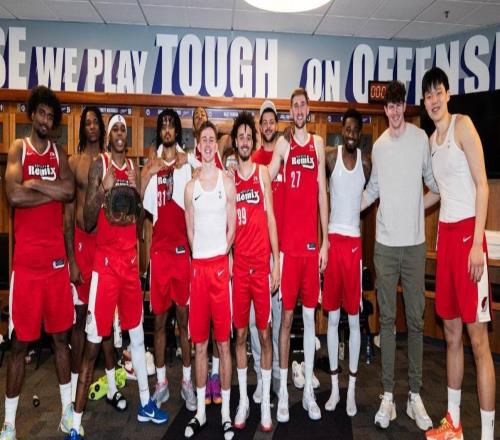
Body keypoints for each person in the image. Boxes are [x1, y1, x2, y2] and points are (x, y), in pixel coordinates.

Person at [67, 115, 167, 440]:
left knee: (137, 336)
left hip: (129, 266)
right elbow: (88, 219)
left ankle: (146, 403)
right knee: (93, 344)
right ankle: (75, 423)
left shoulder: (133, 168)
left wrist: (137, 190)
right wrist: (102, 189)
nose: (120, 133)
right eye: (116, 129)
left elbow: (136, 222)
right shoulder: (101, 164)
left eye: (124, 129)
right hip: (106, 267)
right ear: (109, 137)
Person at [422, 67, 495, 440]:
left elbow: (482, 185)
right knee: (451, 335)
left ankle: (487, 434)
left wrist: (478, 242)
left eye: (439, 92)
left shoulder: (463, 126)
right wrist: (409, 207)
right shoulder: (432, 142)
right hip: (446, 238)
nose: (434, 100)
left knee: (478, 341)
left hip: (469, 236)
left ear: (447, 94)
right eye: (428, 95)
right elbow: (439, 191)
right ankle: (453, 425)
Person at [361, 80, 438, 431]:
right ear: (385, 109)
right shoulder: (378, 147)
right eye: (389, 106)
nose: (394, 111)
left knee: (417, 322)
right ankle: (389, 395)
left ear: (405, 106)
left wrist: (415, 208)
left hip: (414, 246)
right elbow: (373, 189)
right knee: (387, 322)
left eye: (398, 105)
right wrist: (344, 209)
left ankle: (414, 396)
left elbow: (435, 187)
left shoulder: (421, 140)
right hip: (386, 248)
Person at [2, 85, 75, 439]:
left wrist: (36, 183)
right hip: (27, 266)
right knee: (19, 345)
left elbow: (69, 191)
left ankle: (67, 415)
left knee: (61, 339)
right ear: (32, 115)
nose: (46, 120)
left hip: (56, 264)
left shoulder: (59, 154)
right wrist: (50, 188)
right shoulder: (19, 147)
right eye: (41, 113)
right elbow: (14, 195)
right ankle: (9, 424)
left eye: (51, 116)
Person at [268, 87, 329, 422]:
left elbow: (322, 195)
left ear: (309, 110)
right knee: (286, 320)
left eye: (303, 105)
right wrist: (237, 175)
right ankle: (282, 393)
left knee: (308, 321)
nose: (300, 110)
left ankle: (307, 394)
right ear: (290, 112)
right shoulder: (283, 144)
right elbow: (266, 177)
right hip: (288, 252)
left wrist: (326, 241)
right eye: (295, 106)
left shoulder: (317, 143)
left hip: (310, 249)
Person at [64, 106, 123, 409]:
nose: (91, 127)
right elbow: (68, 214)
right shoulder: (74, 163)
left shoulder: (109, 162)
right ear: (82, 128)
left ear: (101, 127)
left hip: (105, 245)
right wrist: (71, 260)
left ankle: (112, 387)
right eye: (86, 123)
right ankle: (76, 388)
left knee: (106, 320)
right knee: (79, 321)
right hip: (81, 246)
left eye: (95, 122)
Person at [141, 108, 197, 411]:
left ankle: (187, 381)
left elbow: (207, 172)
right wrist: (148, 171)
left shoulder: (187, 163)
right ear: (159, 132)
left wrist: (191, 161)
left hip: (180, 253)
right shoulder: (152, 166)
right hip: (160, 255)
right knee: (160, 322)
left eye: (170, 125)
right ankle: (161, 382)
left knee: (184, 322)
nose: (166, 129)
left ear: (177, 130)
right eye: (162, 125)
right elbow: (138, 198)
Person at [184, 120, 236, 439]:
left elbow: (233, 229)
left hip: (219, 270)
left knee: (224, 344)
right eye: (202, 139)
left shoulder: (226, 182)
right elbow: (190, 232)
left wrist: (220, 255)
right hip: (198, 271)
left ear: (216, 145)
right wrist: (202, 255)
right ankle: (201, 413)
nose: (206, 144)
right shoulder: (190, 188)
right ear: (197, 145)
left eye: (211, 139)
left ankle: (226, 413)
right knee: (200, 344)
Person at [230, 112, 280, 432]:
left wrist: (277, 262)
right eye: (241, 137)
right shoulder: (229, 178)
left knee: (264, 333)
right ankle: (244, 401)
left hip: (262, 267)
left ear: (254, 141)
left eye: (250, 137)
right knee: (240, 335)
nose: (246, 141)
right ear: (235, 142)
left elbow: (271, 218)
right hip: (239, 268)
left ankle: (263, 405)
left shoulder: (262, 174)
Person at [323, 108, 371, 417]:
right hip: (333, 242)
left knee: (353, 320)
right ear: (342, 130)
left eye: (356, 130)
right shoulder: (330, 157)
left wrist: (358, 206)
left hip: (353, 245)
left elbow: (375, 190)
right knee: (331, 319)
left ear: (360, 134)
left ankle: (351, 389)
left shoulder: (367, 163)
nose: (351, 134)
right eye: (347, 129)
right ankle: (334, 388)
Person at [249, 100, 284, 401]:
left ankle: (277, 378)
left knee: (278, 318)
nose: (269, 126)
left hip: (284, 250)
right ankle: (262, 376)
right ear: (260, 127)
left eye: (273, 121)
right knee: (256, 320)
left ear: (277, 125)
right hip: (260, 252)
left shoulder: (285, 154)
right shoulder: (255, 161)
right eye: (265, 122)